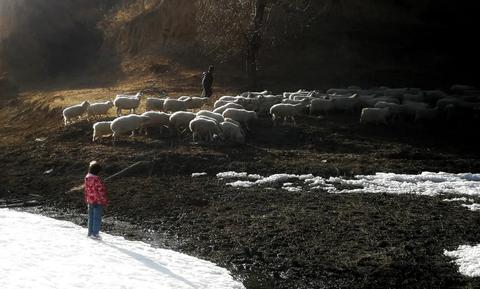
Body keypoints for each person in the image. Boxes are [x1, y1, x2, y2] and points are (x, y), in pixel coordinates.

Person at [84, 160, 109, 239]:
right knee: (97, 218)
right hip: (97, 201)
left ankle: (90, 233)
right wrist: (105, 201)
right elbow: (101, 191)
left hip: (90, 200)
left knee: (91, 217)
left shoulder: (87, 177)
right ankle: (95, 234)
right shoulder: (97, 179)